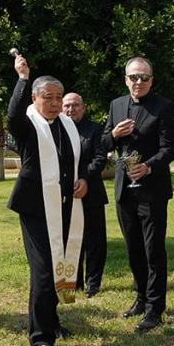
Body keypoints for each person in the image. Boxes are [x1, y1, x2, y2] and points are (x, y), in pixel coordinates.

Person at [7, 54, 89, 346]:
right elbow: (12, 116)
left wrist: (83, 180)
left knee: (58, 266)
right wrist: (22, 78)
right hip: (35, 208)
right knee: (43, 272)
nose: (55, 104)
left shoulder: (67, 126)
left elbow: (75, 163)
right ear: (35, 99)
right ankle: (40, 336)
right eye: (48, 98)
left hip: (65, 204)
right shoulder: (28, 126)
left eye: (58, 98)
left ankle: (52, 323)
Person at [102, 57, 174, 332]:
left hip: (152, 188)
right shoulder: (116, 105)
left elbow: (168, 149)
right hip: (124, 187)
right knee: (133, 247)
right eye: (133, 77)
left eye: (144, 77)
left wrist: (148, 167)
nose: (138, 82)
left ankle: (155, 308)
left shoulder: (164, 107)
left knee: (152, 248)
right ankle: (141, 297)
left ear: (151, 80)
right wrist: (113, 133)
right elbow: (103, 143)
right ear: (126, 80)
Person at [62, 92, 108, 298]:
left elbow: (99, 159)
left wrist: (83, 179)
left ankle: (93, 283)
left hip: (92, 192)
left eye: (75, 105)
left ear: (84, 107)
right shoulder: (58, 129)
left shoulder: (96, 130)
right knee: (71, 239)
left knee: (94, 241)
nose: (70, 110)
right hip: (66, 194)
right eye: (67, 106)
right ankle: (74, 281)